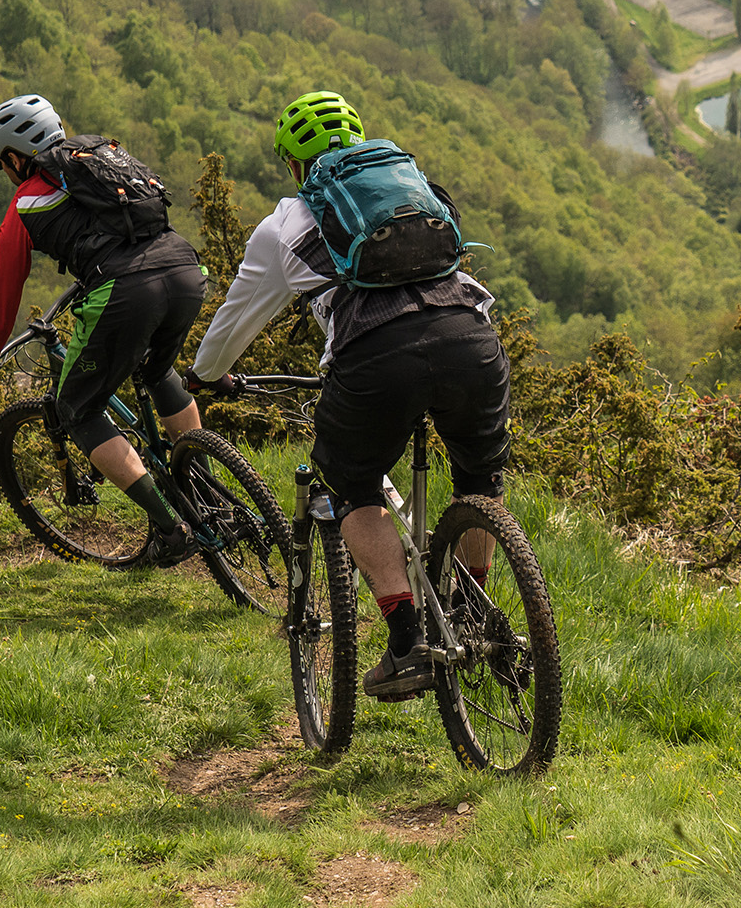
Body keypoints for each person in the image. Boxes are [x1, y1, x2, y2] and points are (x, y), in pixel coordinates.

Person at [191, 91, 507, 700]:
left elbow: (232, 325)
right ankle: (473, 604)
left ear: (292, 165)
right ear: (360, 140)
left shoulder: (284, 225)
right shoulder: (412, 186)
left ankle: (408, 639)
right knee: (478, 479)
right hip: (471, 335)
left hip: (377, 356)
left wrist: (205, 376)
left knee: (352, 487)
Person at [0, 94, 211, 570]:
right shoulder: (99, 159)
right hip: (183, 268)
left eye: (0, 163)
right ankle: (207, 489)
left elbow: (3, 304)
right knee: (158, 372)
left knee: (76, 407)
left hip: (127, 291)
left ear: (15, 156)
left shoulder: (25, 201)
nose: (3, 172)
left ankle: (171, 529)